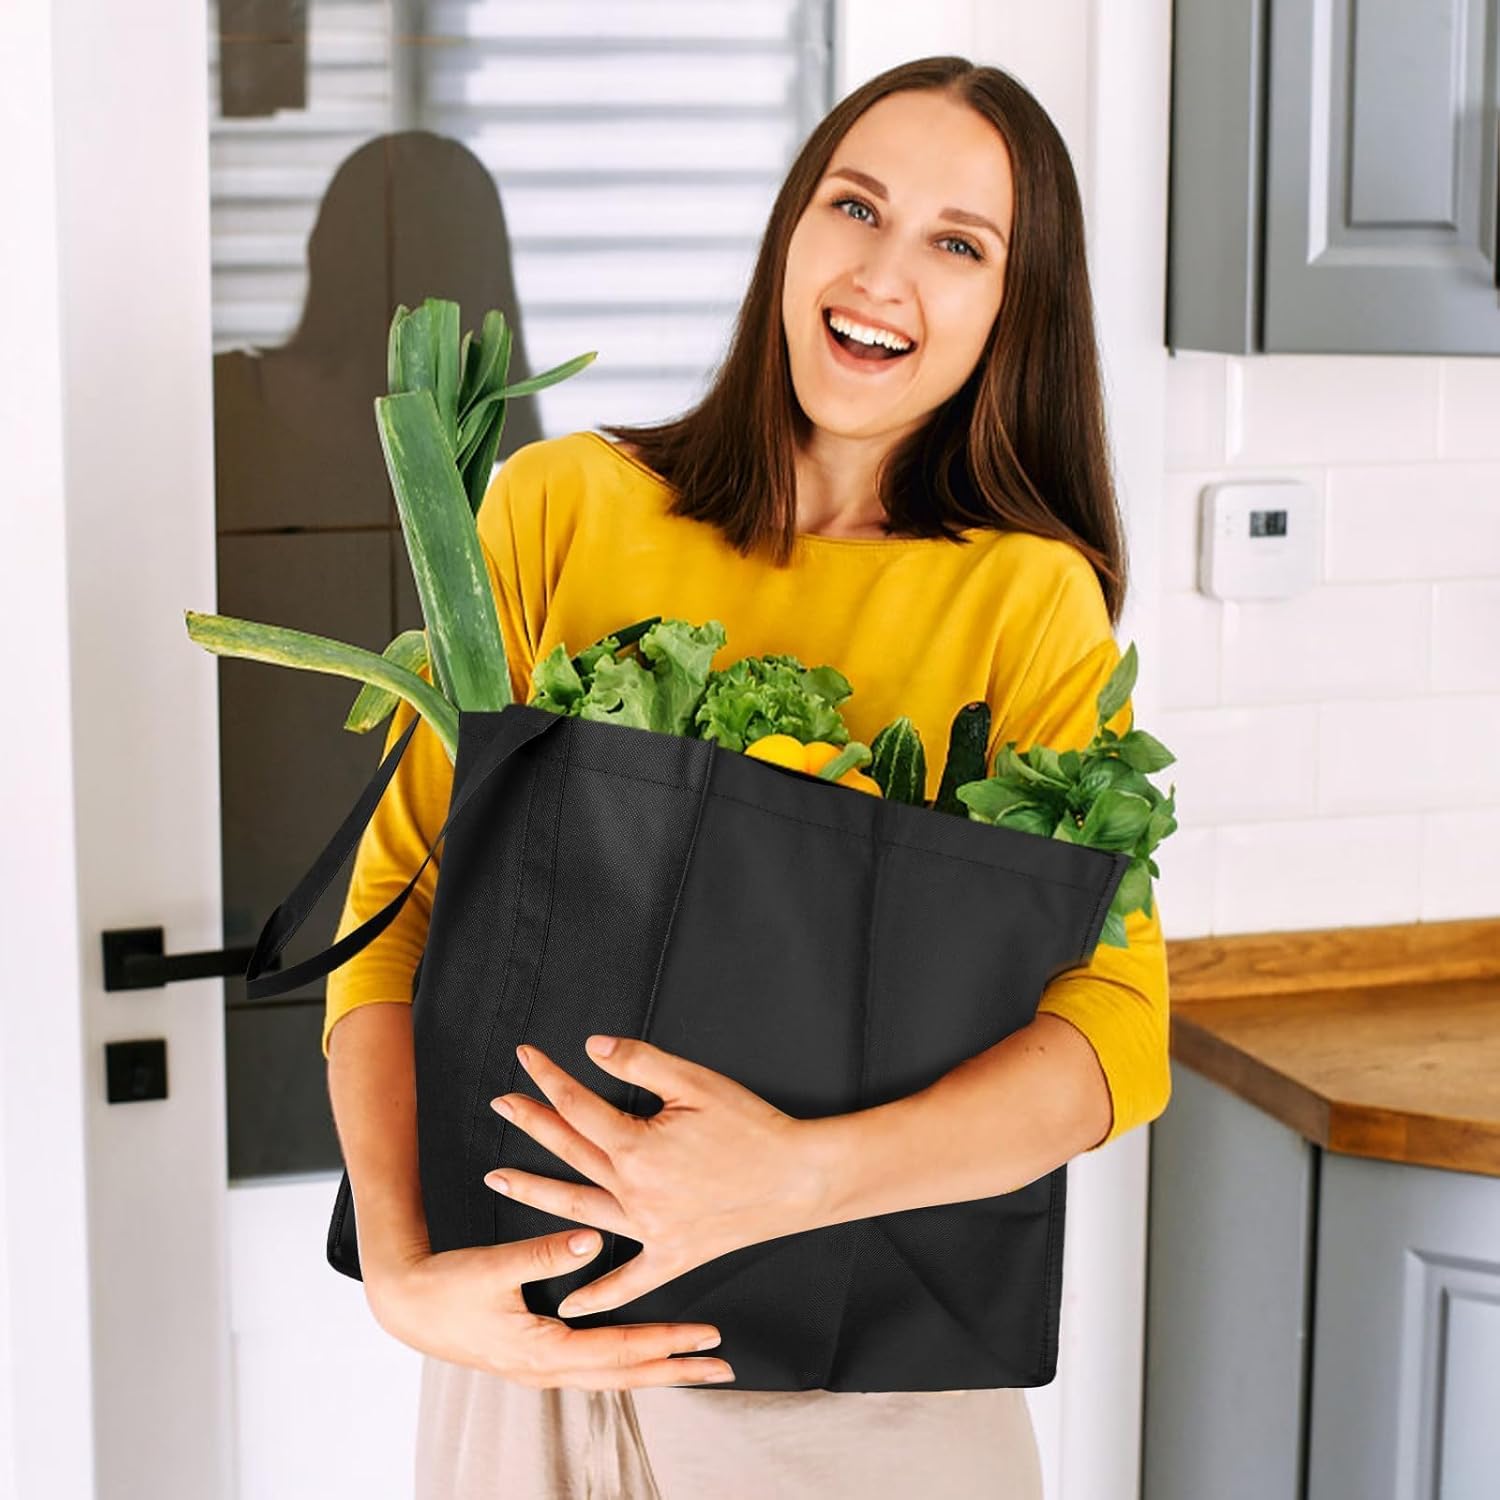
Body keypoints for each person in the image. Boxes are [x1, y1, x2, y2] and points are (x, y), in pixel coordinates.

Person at [323, 55, 1171, 1499]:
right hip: (521, 1368)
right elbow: (395, 917)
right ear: (794, 226)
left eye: (959, 245)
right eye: (857, 206)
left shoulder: (1026, 602)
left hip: (855, 1402)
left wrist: (800, 1175)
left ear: (1013, 310)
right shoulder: (560, 510)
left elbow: (1117, 1030)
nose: (881, 275)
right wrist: (401, 1272)